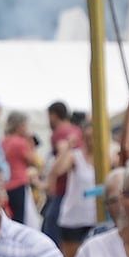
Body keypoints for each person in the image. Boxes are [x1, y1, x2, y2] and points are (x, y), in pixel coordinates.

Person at [49, 123, 97, 257]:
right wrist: (67, 148)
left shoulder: (106, 156)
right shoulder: (75, 156)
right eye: (87, 137)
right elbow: (57, 171)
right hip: (74, 218)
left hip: (96, 218)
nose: (90, 141)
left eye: (94, 137)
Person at [41, 101, 82, 246]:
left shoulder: (59, 133)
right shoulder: (77, 130)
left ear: (53, 115)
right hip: (76, 188)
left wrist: (51, 181)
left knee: (50, 229)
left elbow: (61, 153)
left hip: (61, 188)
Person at [1, 111, 39, 224]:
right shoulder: (20, 143)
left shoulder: (2, 141)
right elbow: (33, 161)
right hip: (18, 183)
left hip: (6, 183)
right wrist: (30, 144)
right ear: (19, 126)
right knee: (20, 219)